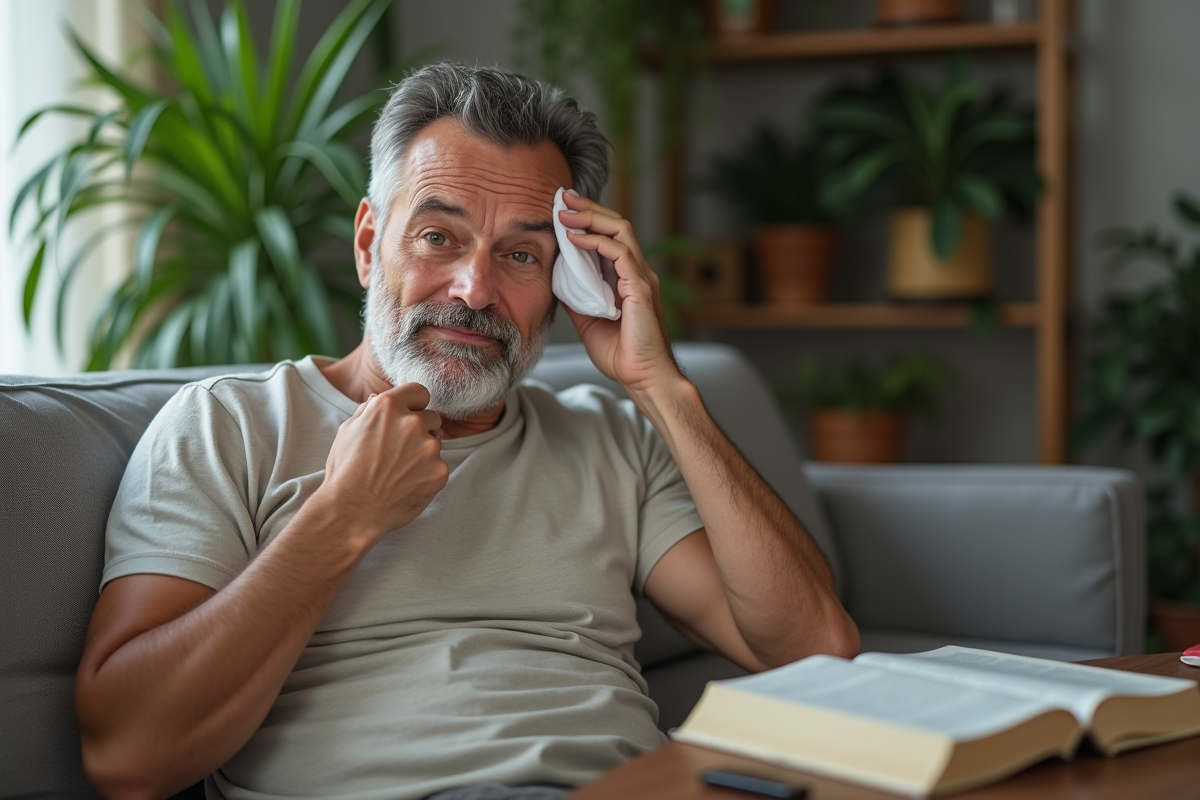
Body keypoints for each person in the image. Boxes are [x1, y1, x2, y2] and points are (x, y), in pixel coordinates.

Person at [74, 62, 858, 800]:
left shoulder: (608, 438)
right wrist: (341, 519)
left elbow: (813, 649)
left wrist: (662, 389)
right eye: (438, 237)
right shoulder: (228, 425)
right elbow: (128, 757)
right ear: (367, 244)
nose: (475, 290)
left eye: (521, 254)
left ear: (566, 285)